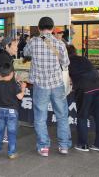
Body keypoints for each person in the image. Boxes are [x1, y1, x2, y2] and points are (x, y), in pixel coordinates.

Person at [23, 17, 71, 157]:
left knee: (40, 116)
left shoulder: (33, 42)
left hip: (40, 85)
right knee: (62, 115)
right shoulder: (59, 43)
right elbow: (66, 62)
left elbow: (25, 53)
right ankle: (63, 146)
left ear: (38, 28)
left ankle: (44, 147)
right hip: (57, 84)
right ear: (53, 27)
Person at [67, 45, 99, 152]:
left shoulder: (67, 62)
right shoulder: (83, 59)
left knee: (82, 116)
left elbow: (66, 79)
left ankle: (83, 144)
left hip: (85, 88)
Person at [0, 62, 26, 159]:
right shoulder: (14, 85)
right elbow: (20, 97)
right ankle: (11, 153)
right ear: (12, 73)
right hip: (12, 112)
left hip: (0, 110)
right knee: (11, 132)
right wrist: (23, 88)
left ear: (1, 74)